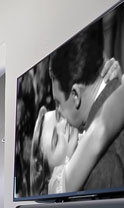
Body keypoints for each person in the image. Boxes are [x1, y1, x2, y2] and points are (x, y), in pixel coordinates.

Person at [49, 20, 124, 191]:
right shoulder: (117, 86)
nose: (58, 112)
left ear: (75, 95)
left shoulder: (101, 167)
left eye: (58, 103)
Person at [34, 72, 124, 194]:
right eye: (56, 139)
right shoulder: (58, 188)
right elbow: (99, 131)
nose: (64, 125)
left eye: (59, 117)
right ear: (51, 176)